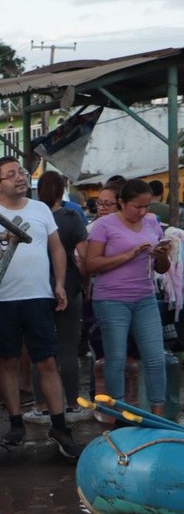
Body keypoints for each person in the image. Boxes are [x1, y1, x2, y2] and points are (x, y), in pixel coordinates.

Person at [0, 156, 80, 459]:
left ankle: (59, 425)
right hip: (1, 299)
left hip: (38, 297)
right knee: (6, 362)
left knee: (46, 361)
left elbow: (56, 248)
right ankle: (15, 422)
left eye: (21, 172)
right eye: (11, 174)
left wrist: (58, 283)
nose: (20, 177)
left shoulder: (41, 209)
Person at [85, 178, 172, 417]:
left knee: (155, 358)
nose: (143, 212)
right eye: (137, 207)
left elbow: (162, 268)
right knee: (116, 357)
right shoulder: (105, 225)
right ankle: (119, 415)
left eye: (147, 207)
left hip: (145, 296)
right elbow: (91, 264)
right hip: (111, 299)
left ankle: (158, 414)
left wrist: (161, 255)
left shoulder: (152, 222)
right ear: (121, 203)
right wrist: (130, 254)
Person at [24, 171, 89, 425]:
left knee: (39, 351)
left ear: (38, 191)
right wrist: (85, 283)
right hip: (70, 287)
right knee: (68, 349)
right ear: (63, 191)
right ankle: (72, 405)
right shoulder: (72, 217)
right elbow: (83, 257)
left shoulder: (32, 217)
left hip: (37, 288)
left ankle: (41, 406)